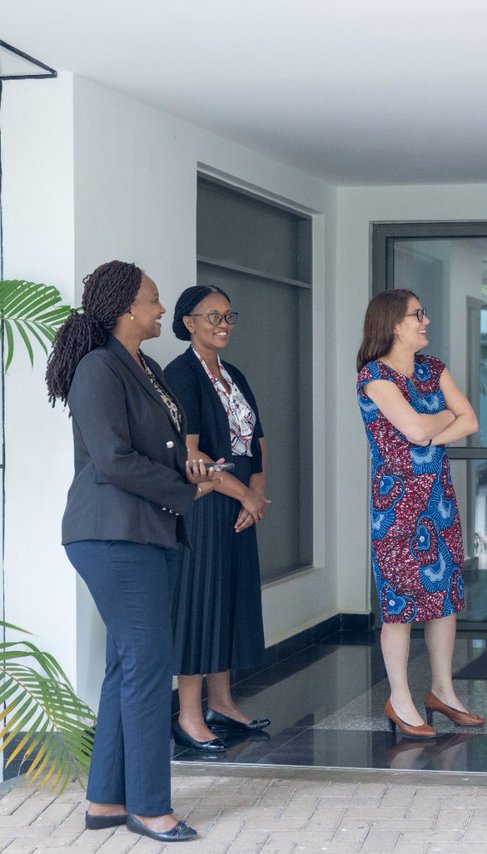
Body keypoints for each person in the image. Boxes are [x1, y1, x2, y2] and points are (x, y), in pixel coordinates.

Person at [46, 260, 220, 843]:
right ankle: (151, 807)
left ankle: (105, 801)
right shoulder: (99, 368)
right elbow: (113, 459)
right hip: (112, 534)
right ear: (124, 309)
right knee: (147, 668)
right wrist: (184, 488)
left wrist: (191, 466)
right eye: (151, 299)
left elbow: (158, 444)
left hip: (147, 531)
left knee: (128, 665)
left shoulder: (144, 367)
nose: (159, 306)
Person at [356, 289, 483, 739]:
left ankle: (443, 692)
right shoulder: (375, 376)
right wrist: (435, 425)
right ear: (393, 323)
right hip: (396, 505)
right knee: (400, 603)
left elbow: (471, 420)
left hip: (439, 499)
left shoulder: (434, 368)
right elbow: (414, 426)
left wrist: (428, 430)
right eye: (417, 315)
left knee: (444, 598)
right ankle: (400, 698)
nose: (425, 321)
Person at [164, 285, 271, 753]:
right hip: (205, 504)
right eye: (213, 316)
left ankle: (222, 702)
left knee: (230, 601)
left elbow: (258, 443)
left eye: (229, 315)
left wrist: (256, 496)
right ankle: (189, 715)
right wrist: (245, 494)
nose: (223, 324)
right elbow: (190, 454)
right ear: (189, 322)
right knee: (200, 605)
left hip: (240, 505)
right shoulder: (180, 374)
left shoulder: (235, 375)